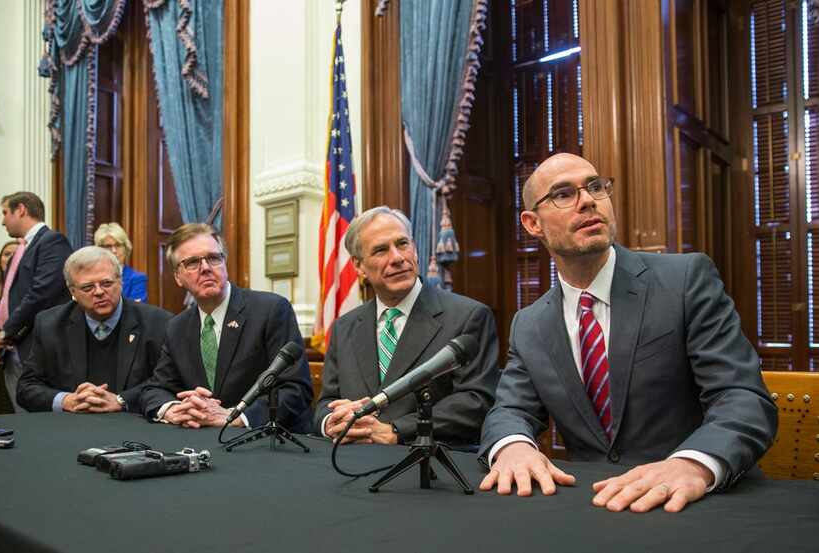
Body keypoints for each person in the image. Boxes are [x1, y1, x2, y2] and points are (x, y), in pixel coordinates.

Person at [478, 153, 777, 513]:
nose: (588, 200)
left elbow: (742, 397)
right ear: (532, 224)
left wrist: (692, 464)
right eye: (563, 194)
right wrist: (513, 447)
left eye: (595, 187)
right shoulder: (529, 324)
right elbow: (509, 409)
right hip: (594, 506)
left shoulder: (684, 280)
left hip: (695, 505)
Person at [314, 207, 499, 446]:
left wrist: (396, 430)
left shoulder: (468, 316)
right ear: (359, 266)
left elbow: (476, 401)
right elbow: (326, 401)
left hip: (426, 464)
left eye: (402, 244)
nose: (398, 258)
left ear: (415, 248)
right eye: (381, 250)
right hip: (352, 462)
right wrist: (330, 422)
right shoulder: (344, 327)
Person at [140, 223, 312, 431]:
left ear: (225, 263)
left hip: (265, 440)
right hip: (201, 440)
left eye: (213, 258)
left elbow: (295, 389)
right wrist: (173, 408)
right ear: (178, 276)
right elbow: (157, 388)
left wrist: (237, 417)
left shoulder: (271, 310)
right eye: (193, 262)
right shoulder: (177, 326)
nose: (205, 268)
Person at [16, 247, 171, 413]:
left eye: (106, 283)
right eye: (88, 287)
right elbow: (26, 387)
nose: (99, 292)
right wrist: (66, 400)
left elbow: (167, 382)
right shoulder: (50, 324)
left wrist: (121, 400)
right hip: (72, 427)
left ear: (120, 282)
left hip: (134, 427)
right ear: (72, 292)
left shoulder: (158, 323)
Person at [0, 192, 72, 412]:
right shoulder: (22, 248)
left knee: (38, 423)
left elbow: (41, 293)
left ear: (22, 210)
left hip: (37, 346)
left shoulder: (52, 241)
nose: (2, 220)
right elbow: (6, 296)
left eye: (6, 212)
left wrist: (5, 332)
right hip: (12, 348)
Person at [94, 222, 147, 303]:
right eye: (108, 246)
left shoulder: (136, 279)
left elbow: (136, 310)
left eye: (118, 245)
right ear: (99, 249)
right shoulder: (92, 277)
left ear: (126, 248)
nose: (114, 251)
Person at [0, 240, 20, 331]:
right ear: (0, 260)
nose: (11, 258)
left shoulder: (32, 288)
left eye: (16, 254)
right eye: (7, 254)